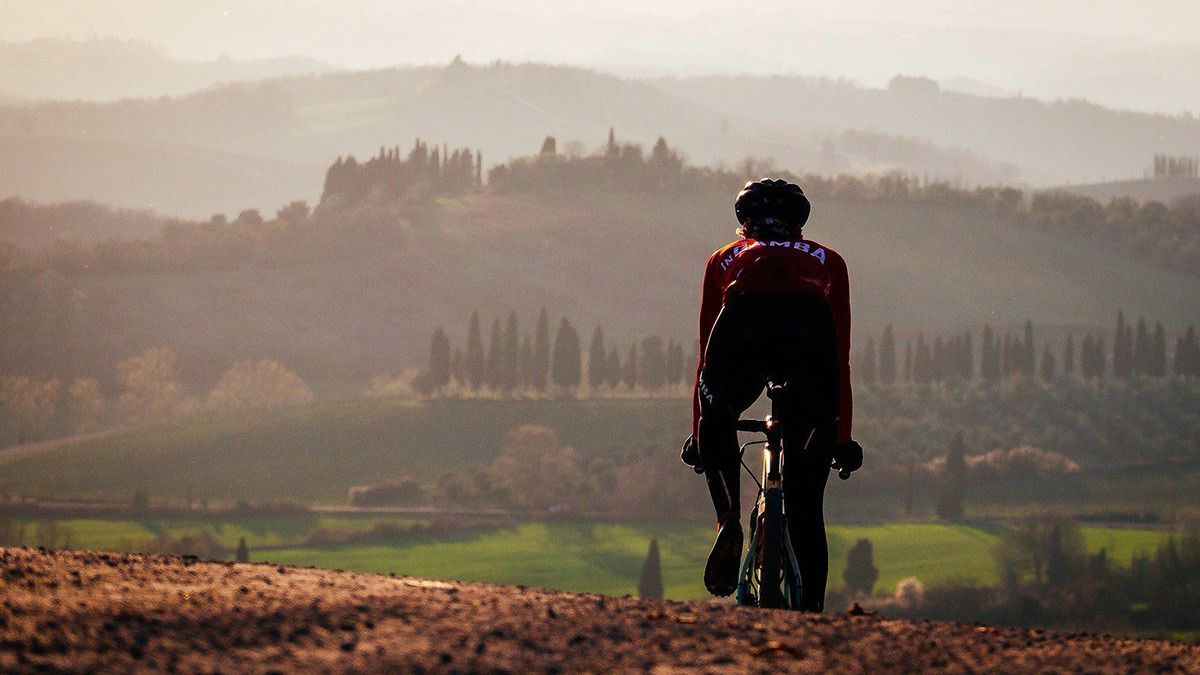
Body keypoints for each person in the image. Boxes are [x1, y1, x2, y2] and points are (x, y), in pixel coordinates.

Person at [681, 178, 863, 610]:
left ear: (743, 222)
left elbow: (706, 353)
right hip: (811, 346)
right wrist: (839, 437)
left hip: (741, 334)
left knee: (718, 410)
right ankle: (812, 617)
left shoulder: (726, 257)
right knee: (806, 508)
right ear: (800, 226)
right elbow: (842, 355)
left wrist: (703, 435)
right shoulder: (829, 259)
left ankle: (728, 519)